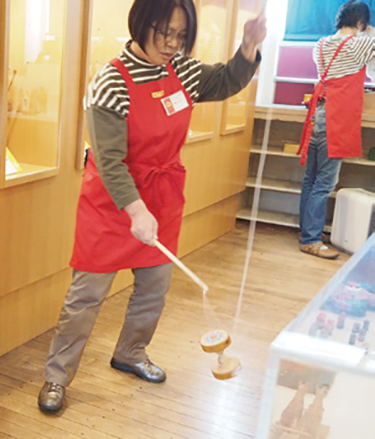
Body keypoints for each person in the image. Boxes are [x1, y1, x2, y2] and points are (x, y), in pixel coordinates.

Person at [38, 0, 266, 413]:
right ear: (140, 23)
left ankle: (131, 352)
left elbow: (227, 80)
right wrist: (135, 209)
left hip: (162, 197)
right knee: (85, 297)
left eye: (181, 35)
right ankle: (57, 375)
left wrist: (248, 46)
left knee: (154, 289)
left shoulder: (183, 70)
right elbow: (109, 161)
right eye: (164, 33)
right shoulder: (111, 81)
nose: (172, 44)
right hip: (111, 204)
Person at [298, 1, 375, 260]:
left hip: (317, 115)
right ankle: (311, 240)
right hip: (337, 119)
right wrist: (368, 31)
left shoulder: (320, 44)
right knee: (324, 182)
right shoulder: (359, 45)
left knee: (311, 179)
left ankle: (307, 233)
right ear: (361, 23)